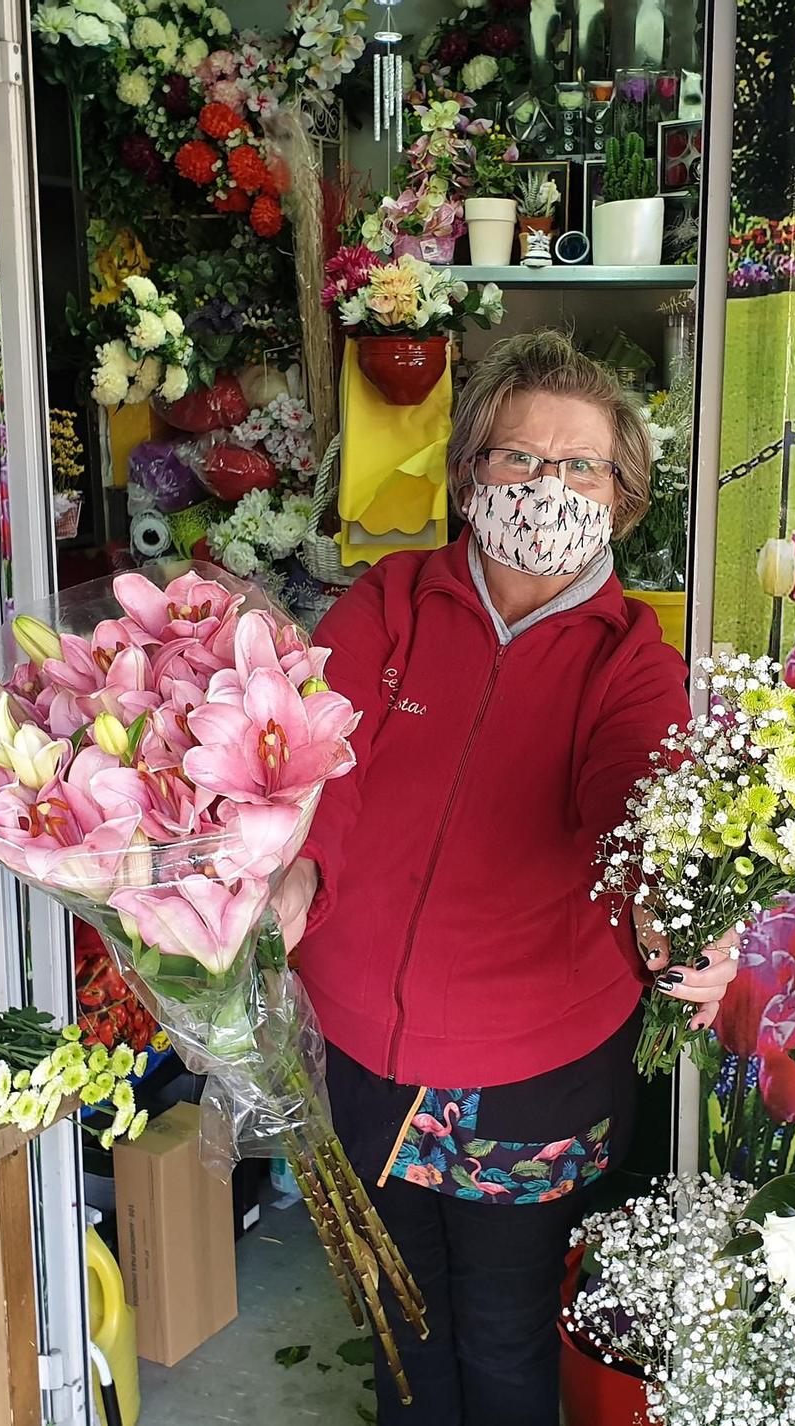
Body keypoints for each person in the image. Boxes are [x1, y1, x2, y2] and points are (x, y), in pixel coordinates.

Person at [274, 330, 739, 1424]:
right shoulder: (389, 603)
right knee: (397, 1321)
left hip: (528, 1075)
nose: (546, 486)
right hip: (361, 1053)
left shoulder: (631, 660)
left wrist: (687, 914)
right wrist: (296, 870)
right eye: (517, 458)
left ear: (622, 499)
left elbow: (641, 802)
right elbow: (317, 754)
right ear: (469, 471)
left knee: (500, 1330)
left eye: (579, 465)